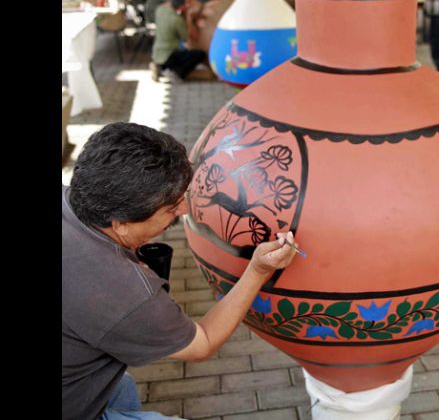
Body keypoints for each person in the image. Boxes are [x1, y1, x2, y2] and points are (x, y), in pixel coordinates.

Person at [63, 122, 299, 420]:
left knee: (120, 386)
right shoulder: (124, 292)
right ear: (121, 223)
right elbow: (203, 343)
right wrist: (257, 270)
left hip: (80, 373)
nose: (185, 211)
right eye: (170, 208)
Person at [150, 0, 210, 82]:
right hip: (169, 56)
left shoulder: (160, 10)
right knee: (199, 54)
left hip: (157, 53)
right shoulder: (176, 20)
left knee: (182, 50)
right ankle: (175, 72)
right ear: (182, 6)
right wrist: (189, 17)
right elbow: (188, 38)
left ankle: (160, 67)